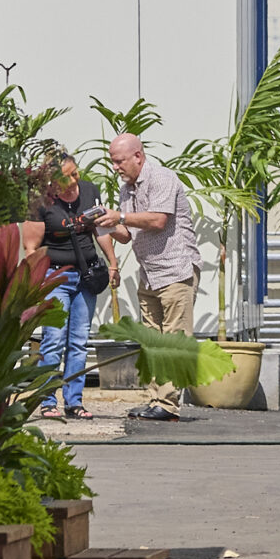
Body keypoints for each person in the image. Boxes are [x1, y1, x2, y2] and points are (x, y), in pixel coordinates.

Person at [101, 133, 201, 422]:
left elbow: (158, 220)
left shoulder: (161, 177)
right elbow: (126, 234)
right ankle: (155, 399)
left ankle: (168, 405)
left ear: (138, 157)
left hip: (175, 270)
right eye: (112, 162)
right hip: (150, 274)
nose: (115, 167)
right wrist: (101, 225)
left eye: (119, 161)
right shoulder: (126, 190)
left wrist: (118, 216)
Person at [21, 153, 116, 421]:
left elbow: (101, 231)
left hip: (86, 274)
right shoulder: (41, 201)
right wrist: (32, 280)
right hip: (55, 276)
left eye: (76, 173)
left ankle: (74, 402)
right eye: (68, 177)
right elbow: (31, 246)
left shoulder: (89, 190)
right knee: (53, 340)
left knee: (79, 342)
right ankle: (47, 400)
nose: (75, 181)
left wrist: (113, 262)